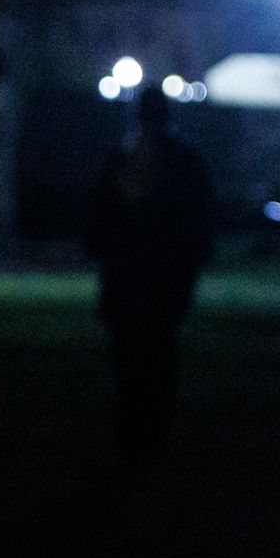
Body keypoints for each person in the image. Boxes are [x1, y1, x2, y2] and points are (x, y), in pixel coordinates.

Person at [85, 85, 213, 466]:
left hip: (132, 282)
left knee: (132, 364)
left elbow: (97, 222)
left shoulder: (122, 162)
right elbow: (199, 226)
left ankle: (135, 438)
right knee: (155, 361)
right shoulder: (183, 164)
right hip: (160, 284)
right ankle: (148, 437)